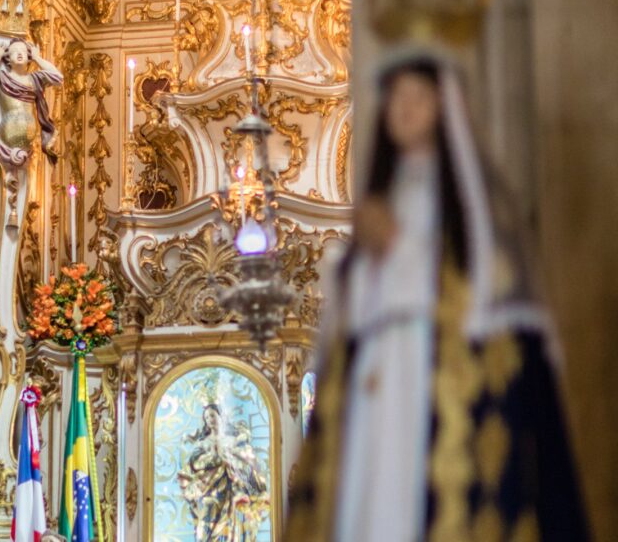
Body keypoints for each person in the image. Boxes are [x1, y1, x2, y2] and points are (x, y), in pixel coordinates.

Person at [285, 51, 590, 542]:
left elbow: (476, 288)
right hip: (375, 388)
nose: (405, 109)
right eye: (397, 97)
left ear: (443, 108)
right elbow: (352, 314)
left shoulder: (470, 211)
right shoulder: (380, 200)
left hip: (430, 375)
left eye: (419, 97)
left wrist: (396, 246)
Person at [177, 404, 269, 541]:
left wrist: (233, 457)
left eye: (212, 415)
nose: (209, 419)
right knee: (205, 523)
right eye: (207, 417)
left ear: (220, 416)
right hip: (209, 489)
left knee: (233, 522)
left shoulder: (232, 440)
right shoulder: (204, 443)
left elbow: (247, 461)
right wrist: (216, 458)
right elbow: (195, 464)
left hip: (230, 489)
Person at [0, 38, 62, 168]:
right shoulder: (4, 77)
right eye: (15, 51)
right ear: (7, 58)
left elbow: (58, 78)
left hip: (27, 143)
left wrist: (37, 58)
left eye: (23, 51)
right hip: (7, 139)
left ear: (28, 57)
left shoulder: (34, 79)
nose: (19, 54)